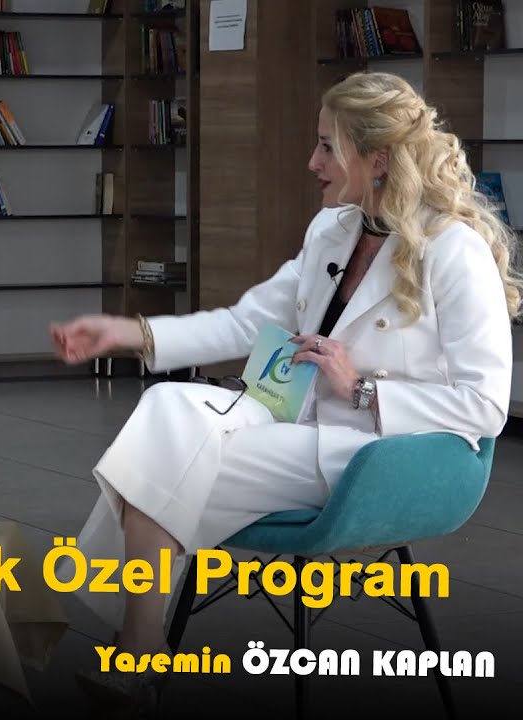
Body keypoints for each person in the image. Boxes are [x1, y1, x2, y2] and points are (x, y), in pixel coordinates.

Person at [49, 71, 518, 713]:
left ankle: (133, 647)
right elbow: (247, 322)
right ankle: (140, 644)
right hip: (291, 419)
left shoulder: (453, 249)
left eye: (327, 147)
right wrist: (130, 333)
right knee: (165, 407)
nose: (312, 163)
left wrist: (362, 389)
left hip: (377, 451)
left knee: (159, 465)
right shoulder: (332, 230)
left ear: (378, 159)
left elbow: (486, 405)